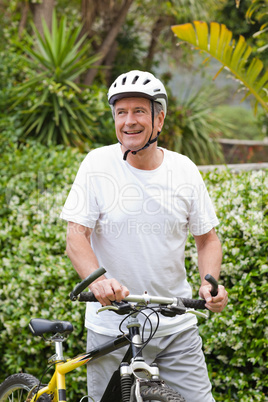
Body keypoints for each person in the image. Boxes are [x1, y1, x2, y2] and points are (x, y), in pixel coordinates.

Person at [60, 70, 228, 401]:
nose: (129, 121)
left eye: (139, 111)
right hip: (113, 326)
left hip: (175, 324)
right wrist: (98, 281)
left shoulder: (184, 170)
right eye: (121, 112)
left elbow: (207, 238)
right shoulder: (97, 165)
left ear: (159, 119)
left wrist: (210, 282)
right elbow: (75, 237)